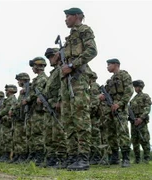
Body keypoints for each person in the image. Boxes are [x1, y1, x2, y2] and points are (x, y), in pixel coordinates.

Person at [58, 7, 97, 171]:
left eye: (68, 16)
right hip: (67, 81)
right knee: (68, 120)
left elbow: (92, 51)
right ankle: (72, 156)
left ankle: (83, 158)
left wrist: (73, 65)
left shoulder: (84, 30)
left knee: (80, 118)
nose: (65, 19)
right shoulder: (69, 37)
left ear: (76, 16)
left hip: (79, 78)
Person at [99, 58, 133, 167]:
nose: (107, 67)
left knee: (122, 132)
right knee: (111, 133)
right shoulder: (110, 80)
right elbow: (107, 94)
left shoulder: (124, 75)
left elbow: (129, 91)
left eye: (109, 64)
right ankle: (114, 157)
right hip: (110, 109)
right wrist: (102, 97)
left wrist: (120, 104)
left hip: (120, 109)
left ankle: (126, 158)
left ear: (116, 65)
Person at [37, 48, 67, 168]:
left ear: (58, 55)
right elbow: (48, 90)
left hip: (56, 106)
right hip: (49, 106)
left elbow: (63, 86)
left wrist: (60, 101)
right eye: (48, 57)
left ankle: (63, 158)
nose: (50, 59)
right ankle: (51, 158)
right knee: (48, 134)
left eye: (51, 56)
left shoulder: (61, 69)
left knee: (58, 133)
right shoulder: (53, 73)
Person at [22, 57, 48, 166]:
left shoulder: (42, 78)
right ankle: (34, 155)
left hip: (38, 111)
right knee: (33, 134)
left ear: (38, 66)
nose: (32, 68)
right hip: (34, 110)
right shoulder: (37, 79)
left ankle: (40, 156)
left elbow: (37, 92)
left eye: (33, 66)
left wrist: (27, 99)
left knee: (38, 133)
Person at [129, 80, 152, 164]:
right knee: (134, 140)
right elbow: (130, 110)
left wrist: (141, 118)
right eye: (135, 87)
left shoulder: (145, 96)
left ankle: (146, 158)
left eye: (137, 87)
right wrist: (132, 119)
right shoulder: (133, 99)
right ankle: (137, 159)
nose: (136, 88)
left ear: (141, 87)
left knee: (144, 139)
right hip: (134, 122)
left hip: (142, 122)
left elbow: (147, 108)